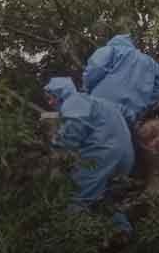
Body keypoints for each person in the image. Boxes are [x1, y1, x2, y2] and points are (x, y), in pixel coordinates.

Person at [43, 76, 135, 234]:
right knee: (108, 199)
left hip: (102, 153)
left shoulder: (73, 101)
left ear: (60, 93)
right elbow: (129, 115)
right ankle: (122, 234)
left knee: (76, 195)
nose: (50, 103)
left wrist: (57, 144)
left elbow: (75, 127)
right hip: (126, 156)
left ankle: (71, 236)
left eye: (50, 98)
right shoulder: (100, 101)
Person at [83, 34, 159, 127]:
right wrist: (144, 104)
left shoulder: (111, 50)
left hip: (101, 104)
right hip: (130, 113)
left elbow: (95, 69)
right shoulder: (152, 64)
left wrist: (88, 89)